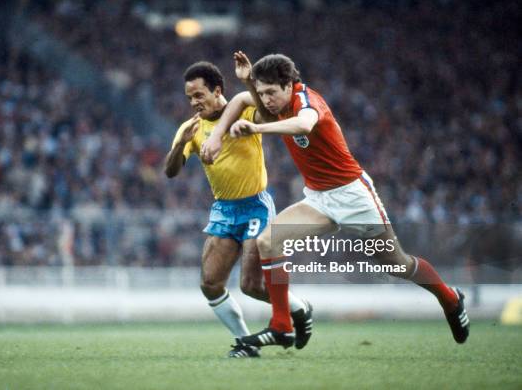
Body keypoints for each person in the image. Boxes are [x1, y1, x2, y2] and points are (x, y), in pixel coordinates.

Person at [201, 52, 469, 348]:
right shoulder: (273, 100)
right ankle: (281, 326)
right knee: (269, 241)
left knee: (396, 264)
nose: (265, 100)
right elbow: (241, 101)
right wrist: (225, 124)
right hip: (318, 198)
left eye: (271, 93)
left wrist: (257, 128)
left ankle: (450, 298)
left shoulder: (307, 101)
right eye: (261, 93)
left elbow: (303, 125)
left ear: (289, 85)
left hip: (353, 196)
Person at [164, 61, 312, 357]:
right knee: (210, 284)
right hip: (223, 210)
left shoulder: (243, 111)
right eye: (189, 98)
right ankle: (245, 342)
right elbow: (171, 171)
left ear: (217, 90)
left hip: (255, 205)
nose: (194, 103)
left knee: (251, 285)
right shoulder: (190, 128)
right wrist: (180, 143)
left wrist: (247, 83)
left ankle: (300, 309)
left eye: (198, 95)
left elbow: (269, 113)